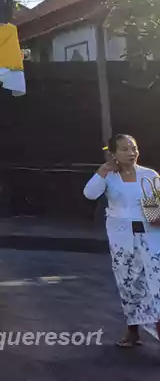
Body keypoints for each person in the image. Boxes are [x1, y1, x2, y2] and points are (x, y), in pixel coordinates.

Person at [84, 134, 160, 347]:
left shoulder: (149, 175)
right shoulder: (109, 176)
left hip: (151, 237)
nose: (131, 153)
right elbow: (89, 194)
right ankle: (133, 331)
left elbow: (156, 210)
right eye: (125, 149)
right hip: (121, 236)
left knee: (156, 282)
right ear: (113, 153)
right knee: (128, 283)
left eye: (134, 148)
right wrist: (103, 170)